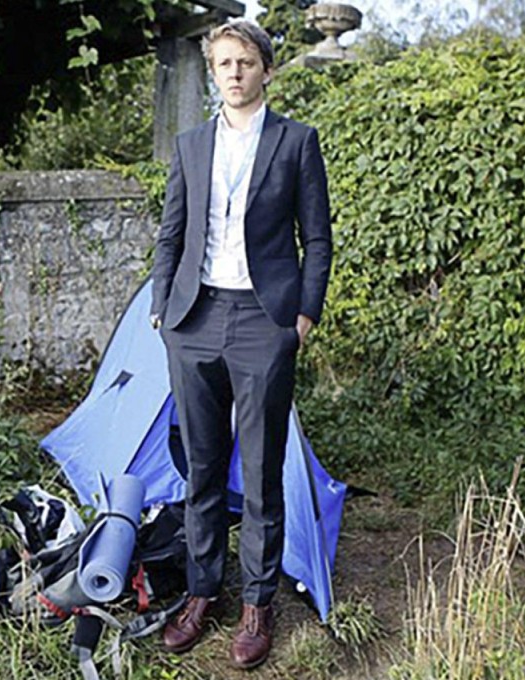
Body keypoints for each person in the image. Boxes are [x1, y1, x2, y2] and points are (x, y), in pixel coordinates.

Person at [149, 18, 332, 670]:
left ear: (266, 70)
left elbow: (318, 239)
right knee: (201, 467)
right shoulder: (191, 144)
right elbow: (171, 232)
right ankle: (203, 592)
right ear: (213, 70)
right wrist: (159, 308)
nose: (234, 72)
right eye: (224, 62)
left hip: (264, 320)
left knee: (258, 472)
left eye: (245, 62)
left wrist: (302, 318)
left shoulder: (296, 142)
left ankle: (257, 604)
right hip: (192, 320)